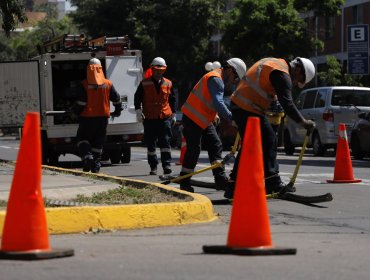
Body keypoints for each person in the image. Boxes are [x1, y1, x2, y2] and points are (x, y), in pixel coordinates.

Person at [227, 57, 316, 198]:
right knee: (269, 140)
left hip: (242, 106)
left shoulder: (274, 63)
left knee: (251, 145)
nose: (294, 82)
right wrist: (303, 122)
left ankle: (233, 185)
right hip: (247, 108)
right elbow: (288, 103)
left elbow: (263, 87)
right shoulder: (282, 74)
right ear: (298, 69)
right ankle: (272, 182)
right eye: (298, 78)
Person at [179, 58, 247, 193]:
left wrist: (214, 114)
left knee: (215, 144)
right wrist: (232, 119)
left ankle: (220, 180)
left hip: (201, 119)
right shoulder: (216, 79)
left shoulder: (216, 77)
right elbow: (218, 102)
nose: (234, 81)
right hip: (193, 118)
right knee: (194, 149)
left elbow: (209, 100)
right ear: (230, 70)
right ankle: (184, 182)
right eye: (235, 77)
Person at [75, 58, 122, 173]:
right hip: (102, 119)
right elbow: (117, 99)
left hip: (87, 119)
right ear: (100, 69)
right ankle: (95, 167)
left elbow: (81, 104)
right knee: (98, 143)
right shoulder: (108, 84)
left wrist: (75, 112)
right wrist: (117, 111)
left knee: (82, 139)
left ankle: (87, 157)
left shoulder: (84, 84)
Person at [134, 57, 177, 175]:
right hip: (149, 118)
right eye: (157, 70)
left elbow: (173, 100)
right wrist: (138, 111)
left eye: (161, 70)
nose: (159, 72)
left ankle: (167, 165)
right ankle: (153, 167)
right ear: (152, 69)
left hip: (164, 118)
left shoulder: (168, 83)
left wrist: (173, 114)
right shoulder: (144, 83)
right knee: (151, 144)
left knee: (165, 143)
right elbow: (137, 98)